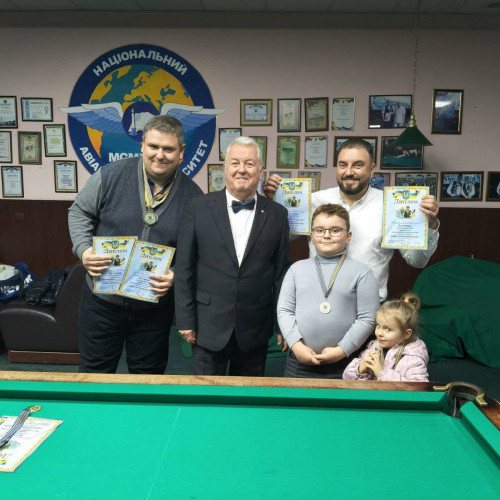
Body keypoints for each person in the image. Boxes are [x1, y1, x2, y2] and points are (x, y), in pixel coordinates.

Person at [68, 115, 203, 374]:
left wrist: (175, 274)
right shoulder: (110, 175)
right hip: (101, 303)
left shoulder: (194, 197)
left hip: (153, 309)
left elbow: (199, 250)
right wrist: (84, 251)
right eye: (153, 146)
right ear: (142, 145)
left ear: (181, 152)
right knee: (95, 375)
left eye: (168, 149)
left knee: (148, 378)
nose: (159, 155)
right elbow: (79, 211)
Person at [265, 138, 440, 302]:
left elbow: (417, 261)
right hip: (317, 305)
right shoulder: (313, 201)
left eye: (358, 165)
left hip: (369, 309)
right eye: (343, 165)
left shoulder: (392, 206)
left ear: (372, 169)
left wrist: (430, 224)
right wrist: (273, 206)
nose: (349, 172)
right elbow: (280, 239)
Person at [174, 136, 290, 376]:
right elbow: (184, 269)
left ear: (261, 171)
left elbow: (281, 275)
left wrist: (283, 323)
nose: (241, 169)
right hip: (207, 324)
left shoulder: (278, 214)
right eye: (235, 163)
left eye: (250, 164)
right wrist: (185, 319)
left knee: (248, 395)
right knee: (206, 395)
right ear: (225, 169)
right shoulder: (197, 208)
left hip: (255, 326)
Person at [277, 204, 379, 378]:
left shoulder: (362, 272)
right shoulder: (296, 269)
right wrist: (296, 345)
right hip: (299, 362)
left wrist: (342, 350)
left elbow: (367, 318)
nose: (326, 235)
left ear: (348, 236)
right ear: (312, 236)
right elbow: (284, 311)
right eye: (319, 230)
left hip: (348, 363)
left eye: (335, 230)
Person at [343, 293, 429, 381]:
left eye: (388, 329)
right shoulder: (373, 349)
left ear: (406, 334)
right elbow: (348, 381)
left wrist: (381, 373)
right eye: (378, 326)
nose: (379, 333)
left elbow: (418, 386)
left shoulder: (413, 358)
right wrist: (360, 369)